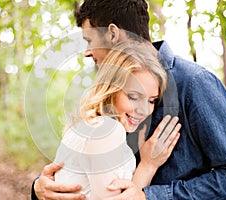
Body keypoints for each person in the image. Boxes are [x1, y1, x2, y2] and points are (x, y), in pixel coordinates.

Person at [31, 0, 226, 199]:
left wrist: (151, 196)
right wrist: (40, 188)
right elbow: (84, 170)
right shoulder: (110, 89)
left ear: (112, 34)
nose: (87, 52)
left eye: (89, 40)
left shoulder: (195, 83)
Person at [52, 41, 181, 199]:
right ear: (110, 89)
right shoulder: (107, 130)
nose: (145, 110)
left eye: (151, 100)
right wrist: (148, 166)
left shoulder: (91, 125)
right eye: (134, 97)